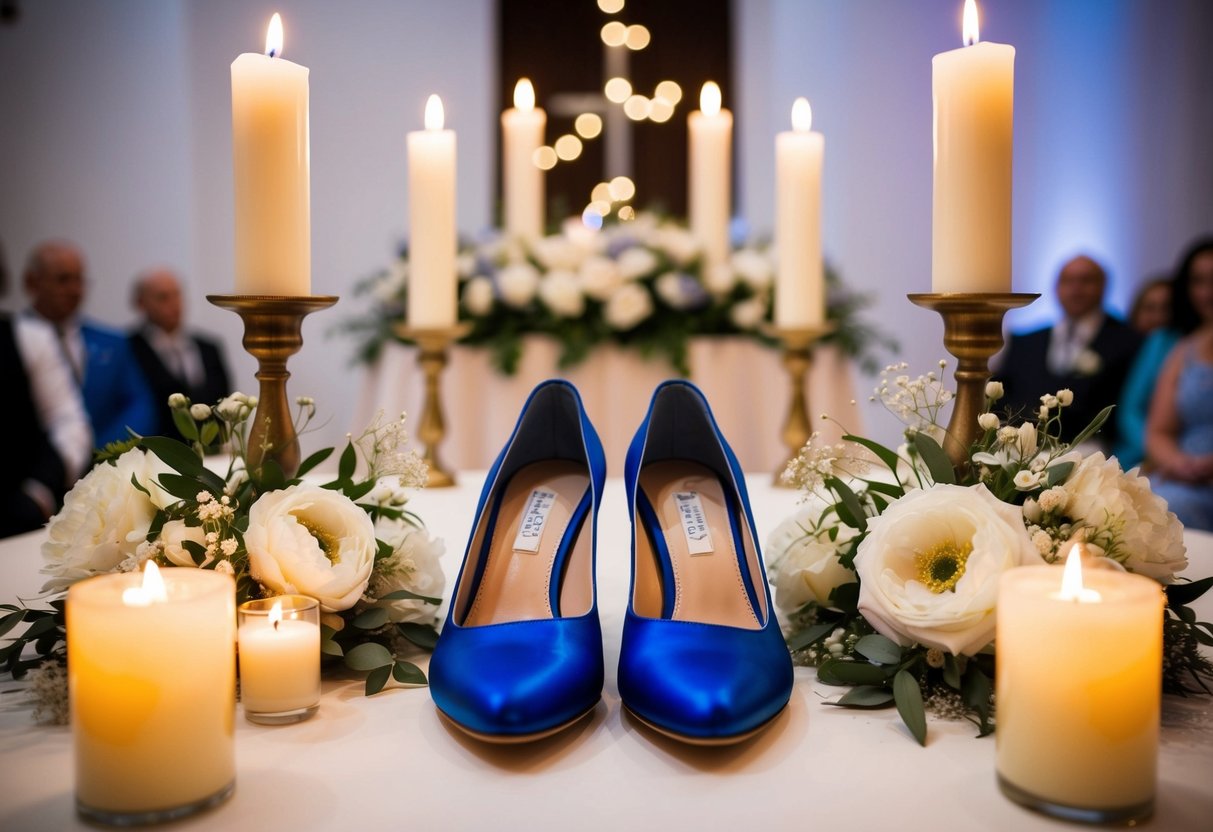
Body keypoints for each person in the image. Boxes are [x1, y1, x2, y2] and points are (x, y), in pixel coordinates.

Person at [994, 254, 1141, 450]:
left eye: (1086, 280)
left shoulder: (1128, 342)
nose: (1076, 289)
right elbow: (1000, 397)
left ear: (1104, 286)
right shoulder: (1024, 342)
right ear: (1056, 287)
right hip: (1021, 451)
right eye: (1068, 281)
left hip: (1095, 451)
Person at [23, 240, 157, 447]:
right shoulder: (14, 340)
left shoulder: (112, 343)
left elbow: (139, 404)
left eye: (79, 280)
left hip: (102, 463)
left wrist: (101, 451)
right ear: (32, 282)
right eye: (63, 279)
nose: (74, 290)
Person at [1115, 237, 1213, 469]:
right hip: (1158, 455)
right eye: (1199, 282)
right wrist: (1161, 454)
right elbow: (1131, 410)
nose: (1208, 292)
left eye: (1164, 308)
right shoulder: (1169, 343)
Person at [1144, 242, 1213, 531]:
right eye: (1199, 281)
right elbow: (1159, 430)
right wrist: (1179, 463)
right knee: (1127, 499)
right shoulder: (1185, 348)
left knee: (1162, 508)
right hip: (1184, 474)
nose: (1208, 291)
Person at [128, 268, 232, 440]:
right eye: (163, 297)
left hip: (209, 452)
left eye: (177, 295)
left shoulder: (209, 347)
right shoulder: (130, 349)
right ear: (141, 303)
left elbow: (223, 401)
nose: (173, 304)